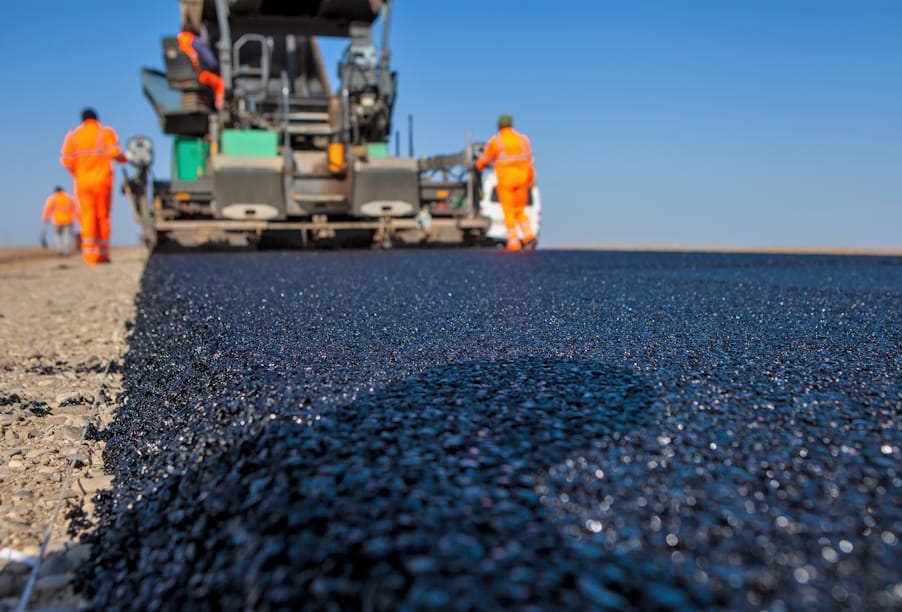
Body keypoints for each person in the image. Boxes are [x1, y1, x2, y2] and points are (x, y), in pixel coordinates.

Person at [60, 108, 126, 265]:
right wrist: (125, 158)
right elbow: (115, 152)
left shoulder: (74, 136)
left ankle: (90, 256)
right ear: (97, 118)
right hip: (102, 182)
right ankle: (103, 254)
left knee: (87, 217)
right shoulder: (105, 133)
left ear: (82, 120)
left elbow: (66, 161)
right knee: (102, 217)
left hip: (83, 183)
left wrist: (77, 173)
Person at [474, 114, 537, 251]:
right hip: (522, 179)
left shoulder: (497, 141)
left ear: (499, 125)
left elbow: (485, 158)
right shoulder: (523, 139)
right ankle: (529, 236)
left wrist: (478, 166)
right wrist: (531, 179)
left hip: (506, 180)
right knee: (520, 210)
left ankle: (513, 244)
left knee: (508, 212)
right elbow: (530, 161)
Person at [178, 24, 225, 108]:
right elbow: (210, 60)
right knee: (220, 82)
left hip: (179, 79)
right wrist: (216, 67)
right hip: (198, 75)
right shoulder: (194, 41)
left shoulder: (176, 42)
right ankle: (220, 107)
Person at [42, 187, 80, 256]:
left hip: (57, 221)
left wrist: (46, 218)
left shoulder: (53, 199)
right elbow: (75, 210)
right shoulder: (70, 198)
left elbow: (47, 209)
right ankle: (66, 251)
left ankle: (60, 250)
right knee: (67, 236)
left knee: (58, 236)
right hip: (68, 220)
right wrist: (79, 219)